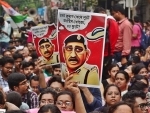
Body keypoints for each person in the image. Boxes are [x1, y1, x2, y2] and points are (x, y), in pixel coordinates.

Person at [94, 7, 119, 80]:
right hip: (107, 52)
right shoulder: (112, 21)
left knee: (102, 74)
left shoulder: (108, 21)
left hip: (104, 53)